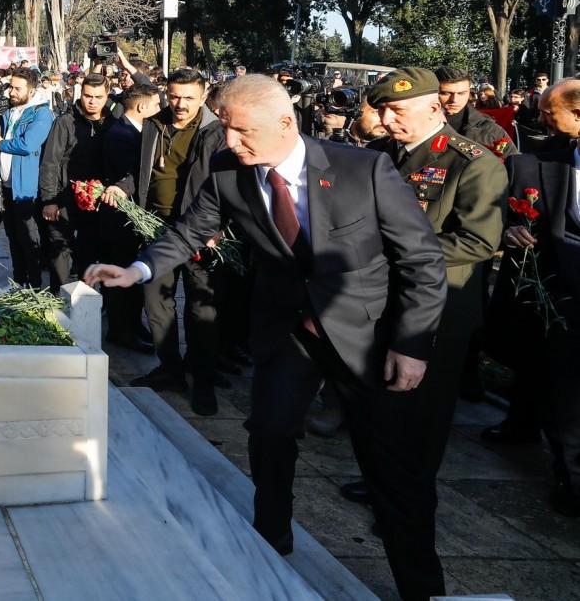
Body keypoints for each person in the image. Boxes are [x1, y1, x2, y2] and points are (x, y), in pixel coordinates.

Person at [84, 74, 449, 601]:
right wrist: (137, 271)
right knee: (270, 434)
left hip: (367, 339)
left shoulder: (363, 169)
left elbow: (421, 261)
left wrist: (412, 345)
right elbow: (189, 231)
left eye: (241, 132)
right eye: (226, 130)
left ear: (285, 121)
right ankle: (270, 540)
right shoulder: (230, 170)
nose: (230, 143)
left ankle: (423, 589)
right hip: (287, 333)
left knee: (393, 472)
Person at [327, 68, 506, 510]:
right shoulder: (376, 154)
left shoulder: (473, 163)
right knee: (383, 404)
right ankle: (383, 481)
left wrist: (388, 252)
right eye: (382, 110)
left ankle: (409, 498)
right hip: (377, 299)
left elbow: (479, 241)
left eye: (398, 110)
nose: (387, 120)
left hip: (439, 308)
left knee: (424, 413)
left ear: (434, 106)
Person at [484, 78, 580, 517]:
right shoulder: (539, 164)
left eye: (548, 112)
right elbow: (501, 207)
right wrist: (509, 228)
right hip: (558, 292)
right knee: (563, 382)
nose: (539, 119)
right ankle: (571, 475)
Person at [107, 68, 227, 415]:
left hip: (199, 230)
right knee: (156, 302)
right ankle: (170, 369)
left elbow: (227, 183)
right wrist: (123, 186)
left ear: (203, 97)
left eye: (189, 97)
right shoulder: (153, 125)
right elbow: (141, 170)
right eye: (174, 96)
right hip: (154, 226)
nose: (180, 104)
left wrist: (219, 227)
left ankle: (202, 377)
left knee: (200, 306)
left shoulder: (215, 131)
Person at [0, 69, 53, 287]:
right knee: (12, 235)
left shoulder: (41, 114)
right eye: (11, 86)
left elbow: (28, 144)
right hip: (6, 184)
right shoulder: (10, 110)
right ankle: (18, 281)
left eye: (17, 88)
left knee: (28, 238)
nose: (11, 92)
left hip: (26, 188)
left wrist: (2, 145)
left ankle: (35, 285)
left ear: (32, 90)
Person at [39, 74, 114, 291]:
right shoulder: (65, 122)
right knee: (59, 250)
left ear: (106, 96)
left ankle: (85, 300)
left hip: (97, 199)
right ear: (80, 95)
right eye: (88, 96)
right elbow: (50, 162)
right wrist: (49, 200)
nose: (92, 101)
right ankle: (56, 299)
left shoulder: (112, 124)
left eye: (98, 97)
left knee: (89, 251)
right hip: (64, 197)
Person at [100, 83, 161, 350]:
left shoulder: (134, 130)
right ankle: (121, 330)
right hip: (119, 218)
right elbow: (134, 175)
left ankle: (133, 325)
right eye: (156, 105)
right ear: (142, 107)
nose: (159, 110)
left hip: (129, 217)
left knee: (132, 274)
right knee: (121, 273)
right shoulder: (121, 134)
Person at [436, 67, 514, 158]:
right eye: (446, 93)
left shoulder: (490, 130)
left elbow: (515, 165)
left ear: (469, 91)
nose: (454, 100)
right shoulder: (418, 126)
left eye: (462, 93)